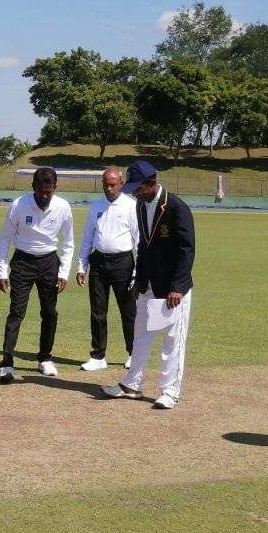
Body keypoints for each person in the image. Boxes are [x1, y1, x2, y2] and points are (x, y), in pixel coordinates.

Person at [101, 160, 195, 410]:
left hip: (174, 289)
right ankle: (132, 384)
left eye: (138, 188)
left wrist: (178, 286)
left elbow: (187, 251)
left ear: (151, 184)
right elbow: (144, 246)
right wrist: (138, 281)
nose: (134, 192)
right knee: (140, 336)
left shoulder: (177, 207)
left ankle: (170, 392)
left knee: (172, 342)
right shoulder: (141, 206)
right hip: (148, 285)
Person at [0, 167, 74, 384]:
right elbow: (5, 240)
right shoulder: (18, 205)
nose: (45, 196)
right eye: (41, 192)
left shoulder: (63, 207)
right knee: (16, 312)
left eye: (49, 192)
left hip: (50, 262)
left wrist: (64, 272)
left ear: (55, 188)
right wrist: (2, 272)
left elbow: (68, 242)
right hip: (22, 262)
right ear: (33, 187)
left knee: (50, 313)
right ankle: (7, 364)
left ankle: (45, 358)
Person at [76, 167, 139, 372]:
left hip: (124, 263)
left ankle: (133, 353)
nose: (109, 188)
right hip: (98, 262)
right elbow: (87, 237)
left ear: (121, 184)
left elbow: (139, 240)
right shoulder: (96, 206)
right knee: (97, 311)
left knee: (128, 311)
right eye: (106, 184)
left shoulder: (131, 206)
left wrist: (138, 271)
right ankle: (98, 356)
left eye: (113, 184)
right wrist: (81, 266)